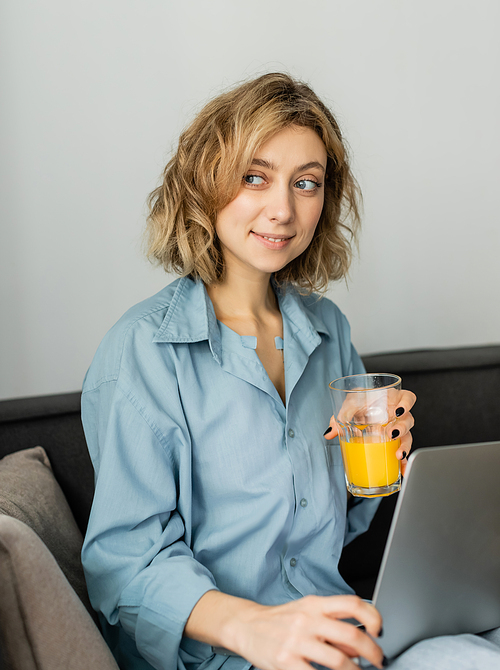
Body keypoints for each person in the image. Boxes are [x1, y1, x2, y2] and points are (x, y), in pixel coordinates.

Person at [81, 73, 500, 670]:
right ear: (205, 179)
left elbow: (336, 525)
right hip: (222, 658)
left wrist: (374, 457)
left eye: (307, 183)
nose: (283, 209)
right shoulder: (144, 350)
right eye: (255, 177)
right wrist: (256, 630)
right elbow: (125, 565)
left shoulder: (327, 331)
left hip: (341, 635)